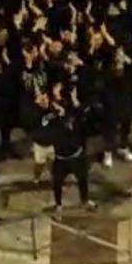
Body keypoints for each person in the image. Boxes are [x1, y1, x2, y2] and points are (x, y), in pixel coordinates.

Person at [49, 83, 96, 218]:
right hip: (61, 157)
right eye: (55, 91)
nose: (58, 94)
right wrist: (59, 114)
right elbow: (46, 124)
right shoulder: (50, 112)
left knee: (82, 178)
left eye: (60, 91)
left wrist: (75, 101)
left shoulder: (71, 107)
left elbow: (84, 116)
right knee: (57, 183)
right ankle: (58, 206)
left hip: (76, 154)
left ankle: (85, 200)